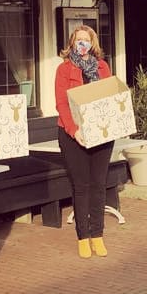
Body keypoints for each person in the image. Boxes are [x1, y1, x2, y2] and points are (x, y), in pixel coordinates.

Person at [55, 25, 113, 259]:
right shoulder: (63, 69)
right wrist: (73, 129)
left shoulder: (102, 67)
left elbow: (110, 97)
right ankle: (82, 237)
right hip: (73, 135)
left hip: (101, 134)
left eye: (86, 40)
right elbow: (61, 103)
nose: (82, 44)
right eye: (78, 40)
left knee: (99, 184)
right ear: (72, 43)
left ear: (92, 43)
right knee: (81, 186)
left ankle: (97, 234)